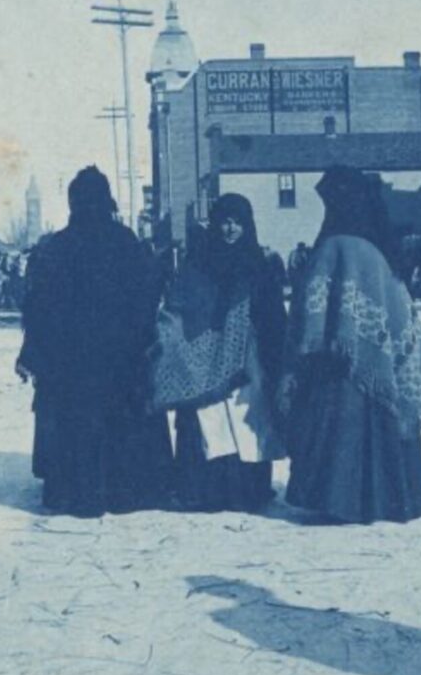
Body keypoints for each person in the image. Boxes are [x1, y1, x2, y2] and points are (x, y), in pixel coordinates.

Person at [281, 167, 421, 524]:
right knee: (385, 432)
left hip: (335, 369)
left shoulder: (334, 246)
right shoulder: (382, 251)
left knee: (339, 436)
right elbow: (401, 311)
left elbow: (311, 310)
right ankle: (396, 498)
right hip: (380, 369)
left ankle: (339, 502)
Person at [17, 166, 171, 517]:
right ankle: (126, 492)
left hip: (72, 362)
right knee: (121, 424)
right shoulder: (125, 241)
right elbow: (147, 296)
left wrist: (36, 352)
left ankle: (77, 493)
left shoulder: (57, 246)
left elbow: (39, 306)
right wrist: (141, 338)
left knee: (78, 427)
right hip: (121, 357)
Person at [150, 194, 286, 512]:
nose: (230, 229)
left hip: (247, 362)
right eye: (224, 221)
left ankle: (250, 490)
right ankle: (202, 491)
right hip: (202, 363)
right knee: (207, 423)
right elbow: (178, 306)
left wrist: (273, 350)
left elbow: (273, 314)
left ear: (247, 224)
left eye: (237, 222)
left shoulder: (260, 266)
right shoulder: (197, 264)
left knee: (244, 427)